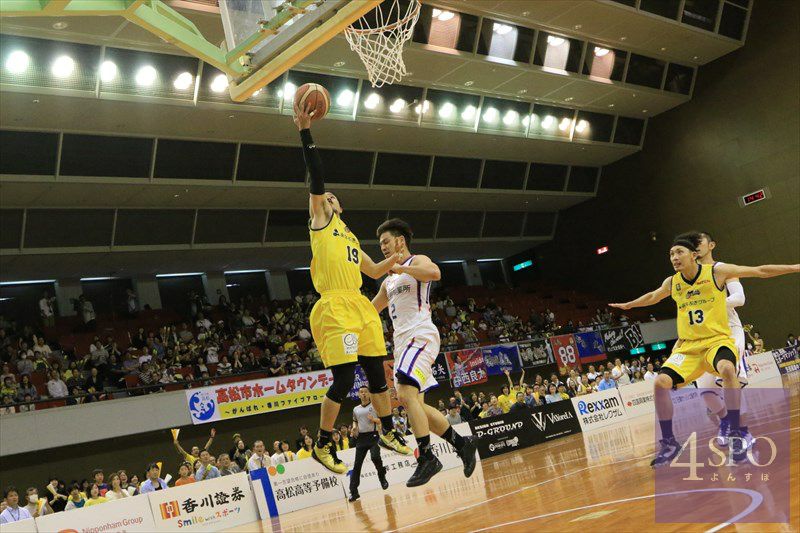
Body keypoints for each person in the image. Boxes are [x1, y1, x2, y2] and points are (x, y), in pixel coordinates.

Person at [610, 232, 799, 466]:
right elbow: (653, 296)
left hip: (717, 340)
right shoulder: (673, 282)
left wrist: (795, 267)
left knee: (728, 370)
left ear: (693, 255)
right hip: (689, 348)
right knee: (661, 383)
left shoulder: (717, 272)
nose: (674, 257)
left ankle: (738, 433)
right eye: (671, 254)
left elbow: (759, 270)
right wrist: (630, 305)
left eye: (679, 252)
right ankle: (669, 443)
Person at [294, 104, 409, 474]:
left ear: (340, 205)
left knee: (376, 372)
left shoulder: (350, 236)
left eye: (332, 198)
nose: (327, 199)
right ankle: (323, 443)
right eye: (323, 197)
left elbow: (373, 270)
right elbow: (316, 176)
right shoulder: (320, 223)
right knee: (344, 378)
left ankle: (388, 429)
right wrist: (305, 132)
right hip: (334, 306)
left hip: (359, 306)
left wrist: (398, 258)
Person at [371, 218, 477, 487]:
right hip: (401, 343)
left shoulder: (416, 261)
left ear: (400, 241)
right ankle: (461, 444)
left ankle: (427, 457)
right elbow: (370, 311)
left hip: (420, 334)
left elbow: (435, 273)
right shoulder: (388, 281)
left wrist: (401, 267)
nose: (382, 247)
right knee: (413, 403)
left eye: (386, 242)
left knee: (406, 394)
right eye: (380, 244)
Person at [688, 232, 752, 446]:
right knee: (705, 391)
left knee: (730, 381)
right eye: (692, 244)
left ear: (711, 245)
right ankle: (725, 420)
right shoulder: (689, 276)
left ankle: (743, 432)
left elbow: (739, 298)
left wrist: (714, 304)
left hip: (729, 330)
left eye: (699, 242)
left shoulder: (723, 269)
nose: (695, 246)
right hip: (704, 335)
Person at [348, 386, 389, 502]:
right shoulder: (356, 409)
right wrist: (354, 428)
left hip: (374, 436)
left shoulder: (375, 406)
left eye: (365, 392)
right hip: (361, 438)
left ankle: (382, 477)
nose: (364, 394)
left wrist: (374, 420)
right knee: (357, 465)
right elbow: (355, 421)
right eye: (361, 392)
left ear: (369, 394)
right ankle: (354, 492)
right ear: (359, 395)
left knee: (375, 457)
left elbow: (381, 420)